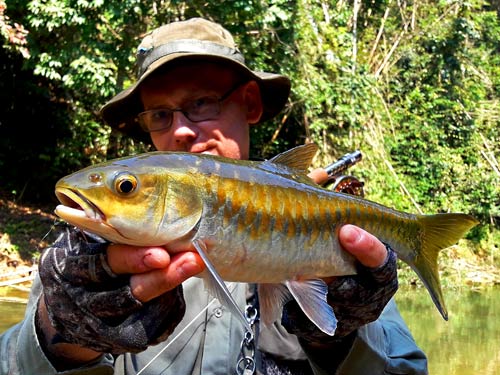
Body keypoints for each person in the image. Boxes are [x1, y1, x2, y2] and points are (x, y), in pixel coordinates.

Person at [0, 18, 427, 375]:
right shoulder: (87, 257)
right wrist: (61, 337)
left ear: (250, 103)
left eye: (202, 103)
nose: (181, 130)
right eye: (160, 115)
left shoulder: (335, 228)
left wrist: (345, 334)